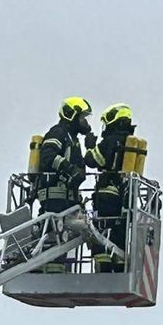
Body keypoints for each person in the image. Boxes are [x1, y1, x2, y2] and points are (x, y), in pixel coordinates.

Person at [34, 97, 94, 273]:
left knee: (62, 240)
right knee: (54, 239)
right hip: (55, 198)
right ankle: (49, 274)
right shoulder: (58, 133)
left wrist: (91, 147)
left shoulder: (73, 139)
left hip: (67, 200)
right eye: (83, 117)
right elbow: (48, 155)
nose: (85, 122)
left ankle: (54, 272)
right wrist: (70, 169)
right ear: (71, 115)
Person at [84, 103, 135, 272]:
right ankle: (119, 267)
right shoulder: (130, 141)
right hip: (125, 194)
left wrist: (90, 146)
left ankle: (104, 269)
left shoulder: (111, 140)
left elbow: (93, 161)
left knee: (101, 229)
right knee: (119, 232)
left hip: (107, 193)